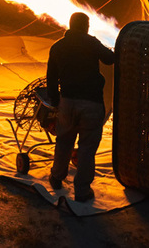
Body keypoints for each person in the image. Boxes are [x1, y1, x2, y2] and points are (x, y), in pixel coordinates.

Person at [46, 12, 115, 202]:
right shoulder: (91, 43)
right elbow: (110, 59)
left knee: (64, 141)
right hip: (91, 102)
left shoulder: (58, 47)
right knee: (87, 147)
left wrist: (54, 101)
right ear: (86, 26)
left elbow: (51, 79)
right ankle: (82, 191)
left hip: (67, 102)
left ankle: (57, 177)